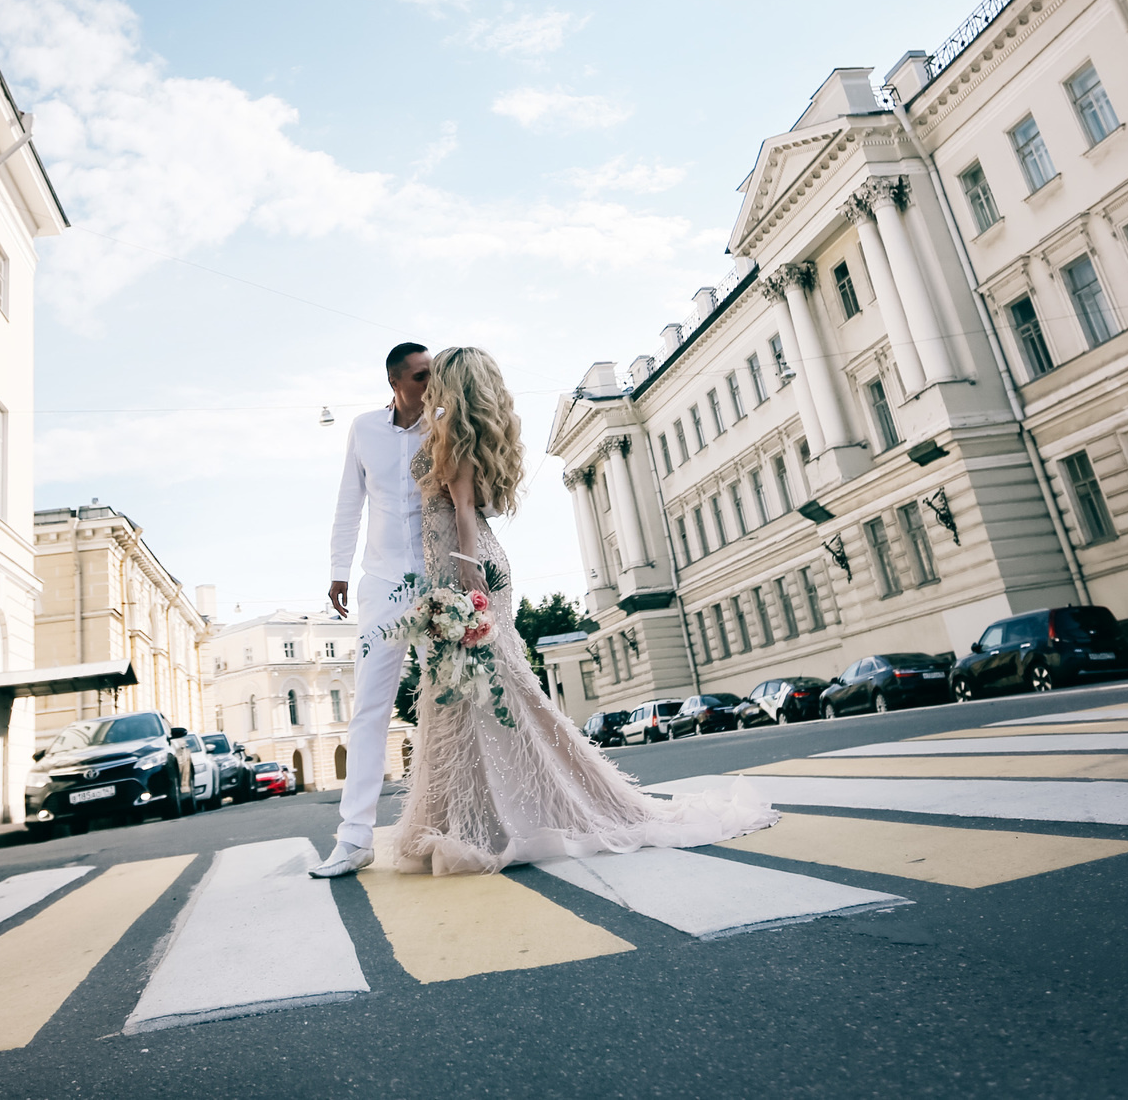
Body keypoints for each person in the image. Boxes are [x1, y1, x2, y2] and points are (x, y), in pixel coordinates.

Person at [389, 346, 776, 875]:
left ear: (453, 383)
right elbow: (479, 505)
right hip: (464, 564)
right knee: (478, 688)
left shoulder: (452, 432)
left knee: (483, 685)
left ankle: (514, 811)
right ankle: (478, 811)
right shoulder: (458, 430)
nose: (430, 382)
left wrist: (465, 576)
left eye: (438, 375)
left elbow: (462, 511)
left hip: (465, 566)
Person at [307, 342, 436, 879]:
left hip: (438, 581)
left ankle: (455, 818)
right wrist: (339, 570)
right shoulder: (363, 429)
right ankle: (354, 838)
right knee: (369, 709)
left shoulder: (446, 426)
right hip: (382, 583)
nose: (431, 383)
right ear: (395, 382)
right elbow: (348, 502)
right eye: (422, 376)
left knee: (449, 700)